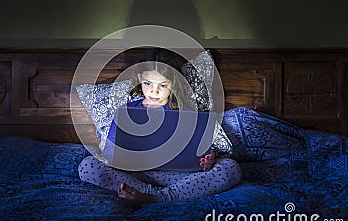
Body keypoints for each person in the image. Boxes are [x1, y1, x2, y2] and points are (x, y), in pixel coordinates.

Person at [78, 48, 242, 204]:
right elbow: (109, 152)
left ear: (173, 84)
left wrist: (207, 161)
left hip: (177, 176)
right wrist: (118, 157)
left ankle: (156, 197)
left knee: (230, 168)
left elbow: (198, 152)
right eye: (148, 83)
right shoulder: (126, 111)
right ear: (140, 78)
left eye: (163, 85)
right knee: (87, 166)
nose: (154, 91)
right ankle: (149, 193)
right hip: (136, 175)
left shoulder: (185, 111)